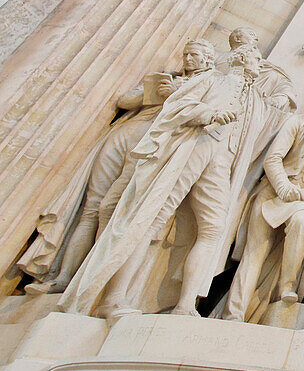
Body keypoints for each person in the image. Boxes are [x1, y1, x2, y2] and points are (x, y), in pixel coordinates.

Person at [19, 44, 204, 294]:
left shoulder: (207, 85)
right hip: (125, 134)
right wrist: (154, 93)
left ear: (207, 59)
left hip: (151, 143)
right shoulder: (169, 78)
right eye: (186, 55)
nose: (188, 59)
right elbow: (124, 100)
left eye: (194, 55)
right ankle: (63, 277)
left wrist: (175, 96)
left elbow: (200, 118)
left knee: (115, 210)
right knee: (91, 208)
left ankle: (90, 282)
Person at [223, 83, 304, 322]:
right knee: (255, 253)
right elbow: (273, 158)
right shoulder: (297, 123)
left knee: (302, 221)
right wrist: (283, 185)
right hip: (273, 193)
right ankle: (233, 314)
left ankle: (287, 287)